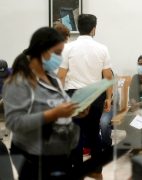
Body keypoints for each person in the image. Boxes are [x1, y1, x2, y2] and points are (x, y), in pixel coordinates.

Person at [3, 27, 79, 179]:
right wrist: (53, 114)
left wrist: (76, 110)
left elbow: (59, 105)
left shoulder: (53, 79)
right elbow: (14, 122)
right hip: (33, 157)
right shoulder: (19, 83)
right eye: (57, 53)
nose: (60, 58)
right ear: (41, 50)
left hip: (58, 153)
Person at [57, 13, 113, 179]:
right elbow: (108, 77)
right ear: (94, 29)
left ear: (77, 27)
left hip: (73, 96)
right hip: (95, 96)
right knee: (94, 132)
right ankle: (96, 171)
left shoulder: (67, 48)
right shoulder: (102, 48)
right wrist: (109, 98)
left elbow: (60, 76)